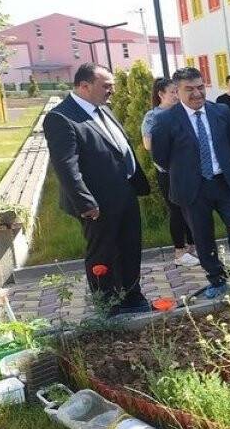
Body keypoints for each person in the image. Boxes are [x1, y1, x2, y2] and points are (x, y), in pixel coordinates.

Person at [45, 63, 152, 316]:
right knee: (102, 251)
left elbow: (117, 146)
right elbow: (66, 166)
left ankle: (131, 295)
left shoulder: (103, 109)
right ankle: (107, 303)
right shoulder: (61, 117)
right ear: (84, 86)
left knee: (129, 246)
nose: (112, 91)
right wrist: (85, 203)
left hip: (124, 192)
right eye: (106, 86)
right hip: (96, 202)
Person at [151, 67, 230, 298]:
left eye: (200, 87)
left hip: (225, 184)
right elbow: (160, 156)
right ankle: (216, 279)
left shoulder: (220, 112)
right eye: (189, 89)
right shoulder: (165, 120)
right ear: (177, 90)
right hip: (193, 189)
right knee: (202, 237)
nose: (197, 94)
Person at [142, 77, 198, 268]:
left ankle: (192, 246)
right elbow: (148, 145)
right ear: (161, 94)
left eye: (177, 91)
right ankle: (179, 251)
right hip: (167, 172)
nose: (176, 95)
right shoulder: (153, 116)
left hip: (188, 169)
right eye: (172, 92)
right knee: (176, 210)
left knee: (191, 207)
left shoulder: (183, 113)